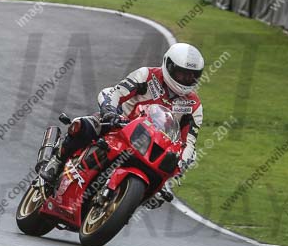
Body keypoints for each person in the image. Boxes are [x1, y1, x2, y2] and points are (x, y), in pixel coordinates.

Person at [38, 43, 204, 192]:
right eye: (182, 74)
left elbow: (189, 142)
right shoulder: (147, 75)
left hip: (153, 146)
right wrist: (110, 111)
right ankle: (56, 161)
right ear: (168, 65)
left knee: (162, 186)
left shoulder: (193, 105)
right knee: (84, 125)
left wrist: (181, 164)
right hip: (120, 124)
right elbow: (116, 92)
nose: (186, 79)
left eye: (192, 76)